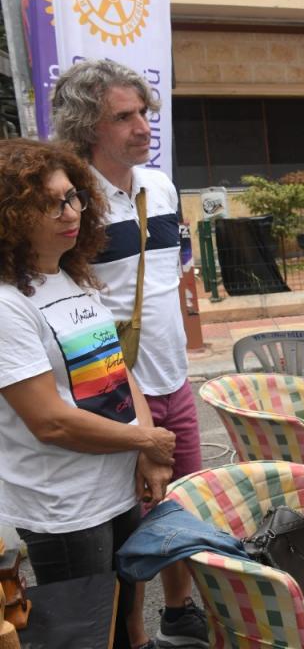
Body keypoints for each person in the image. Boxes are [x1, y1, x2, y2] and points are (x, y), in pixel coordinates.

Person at [50, 59, 207, 649]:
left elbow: (167, 285)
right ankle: (133, 635)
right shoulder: (72, 203)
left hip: (174, 380)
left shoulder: (159, 186)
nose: (144, 126)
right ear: (89, 127)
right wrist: (131, 414)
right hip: (112, 394)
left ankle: (179, 609)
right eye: (124, 117)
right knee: (129, 523)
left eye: (144, 112)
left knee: (181, 509)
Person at [0, 139, 175, 649]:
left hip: (114, 484)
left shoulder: (73, 276)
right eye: (50, 202)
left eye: (74, 196)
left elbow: (117, 370)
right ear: (10, 214)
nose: (71, 211)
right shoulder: (8, 303)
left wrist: (144, 445)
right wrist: (145, 442)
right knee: (82, 635)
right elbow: (49, 421)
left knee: (122, 622)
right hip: (66, 506)